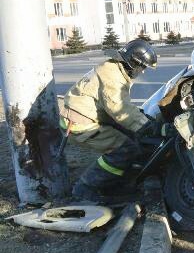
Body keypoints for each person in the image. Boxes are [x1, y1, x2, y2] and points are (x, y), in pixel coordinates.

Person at [60, 39, 159, 202]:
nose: (142, 72)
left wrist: (143, 120)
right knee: (125, 149)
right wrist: (148, 126)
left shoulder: (114, 68)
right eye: (142, 67)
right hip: (80, 123)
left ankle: (119, 179)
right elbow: (120, 110)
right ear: (134, 63)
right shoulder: (113, 77)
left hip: (89, 115)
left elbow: (120, 107)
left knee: (134, 137)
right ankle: (85, 187)